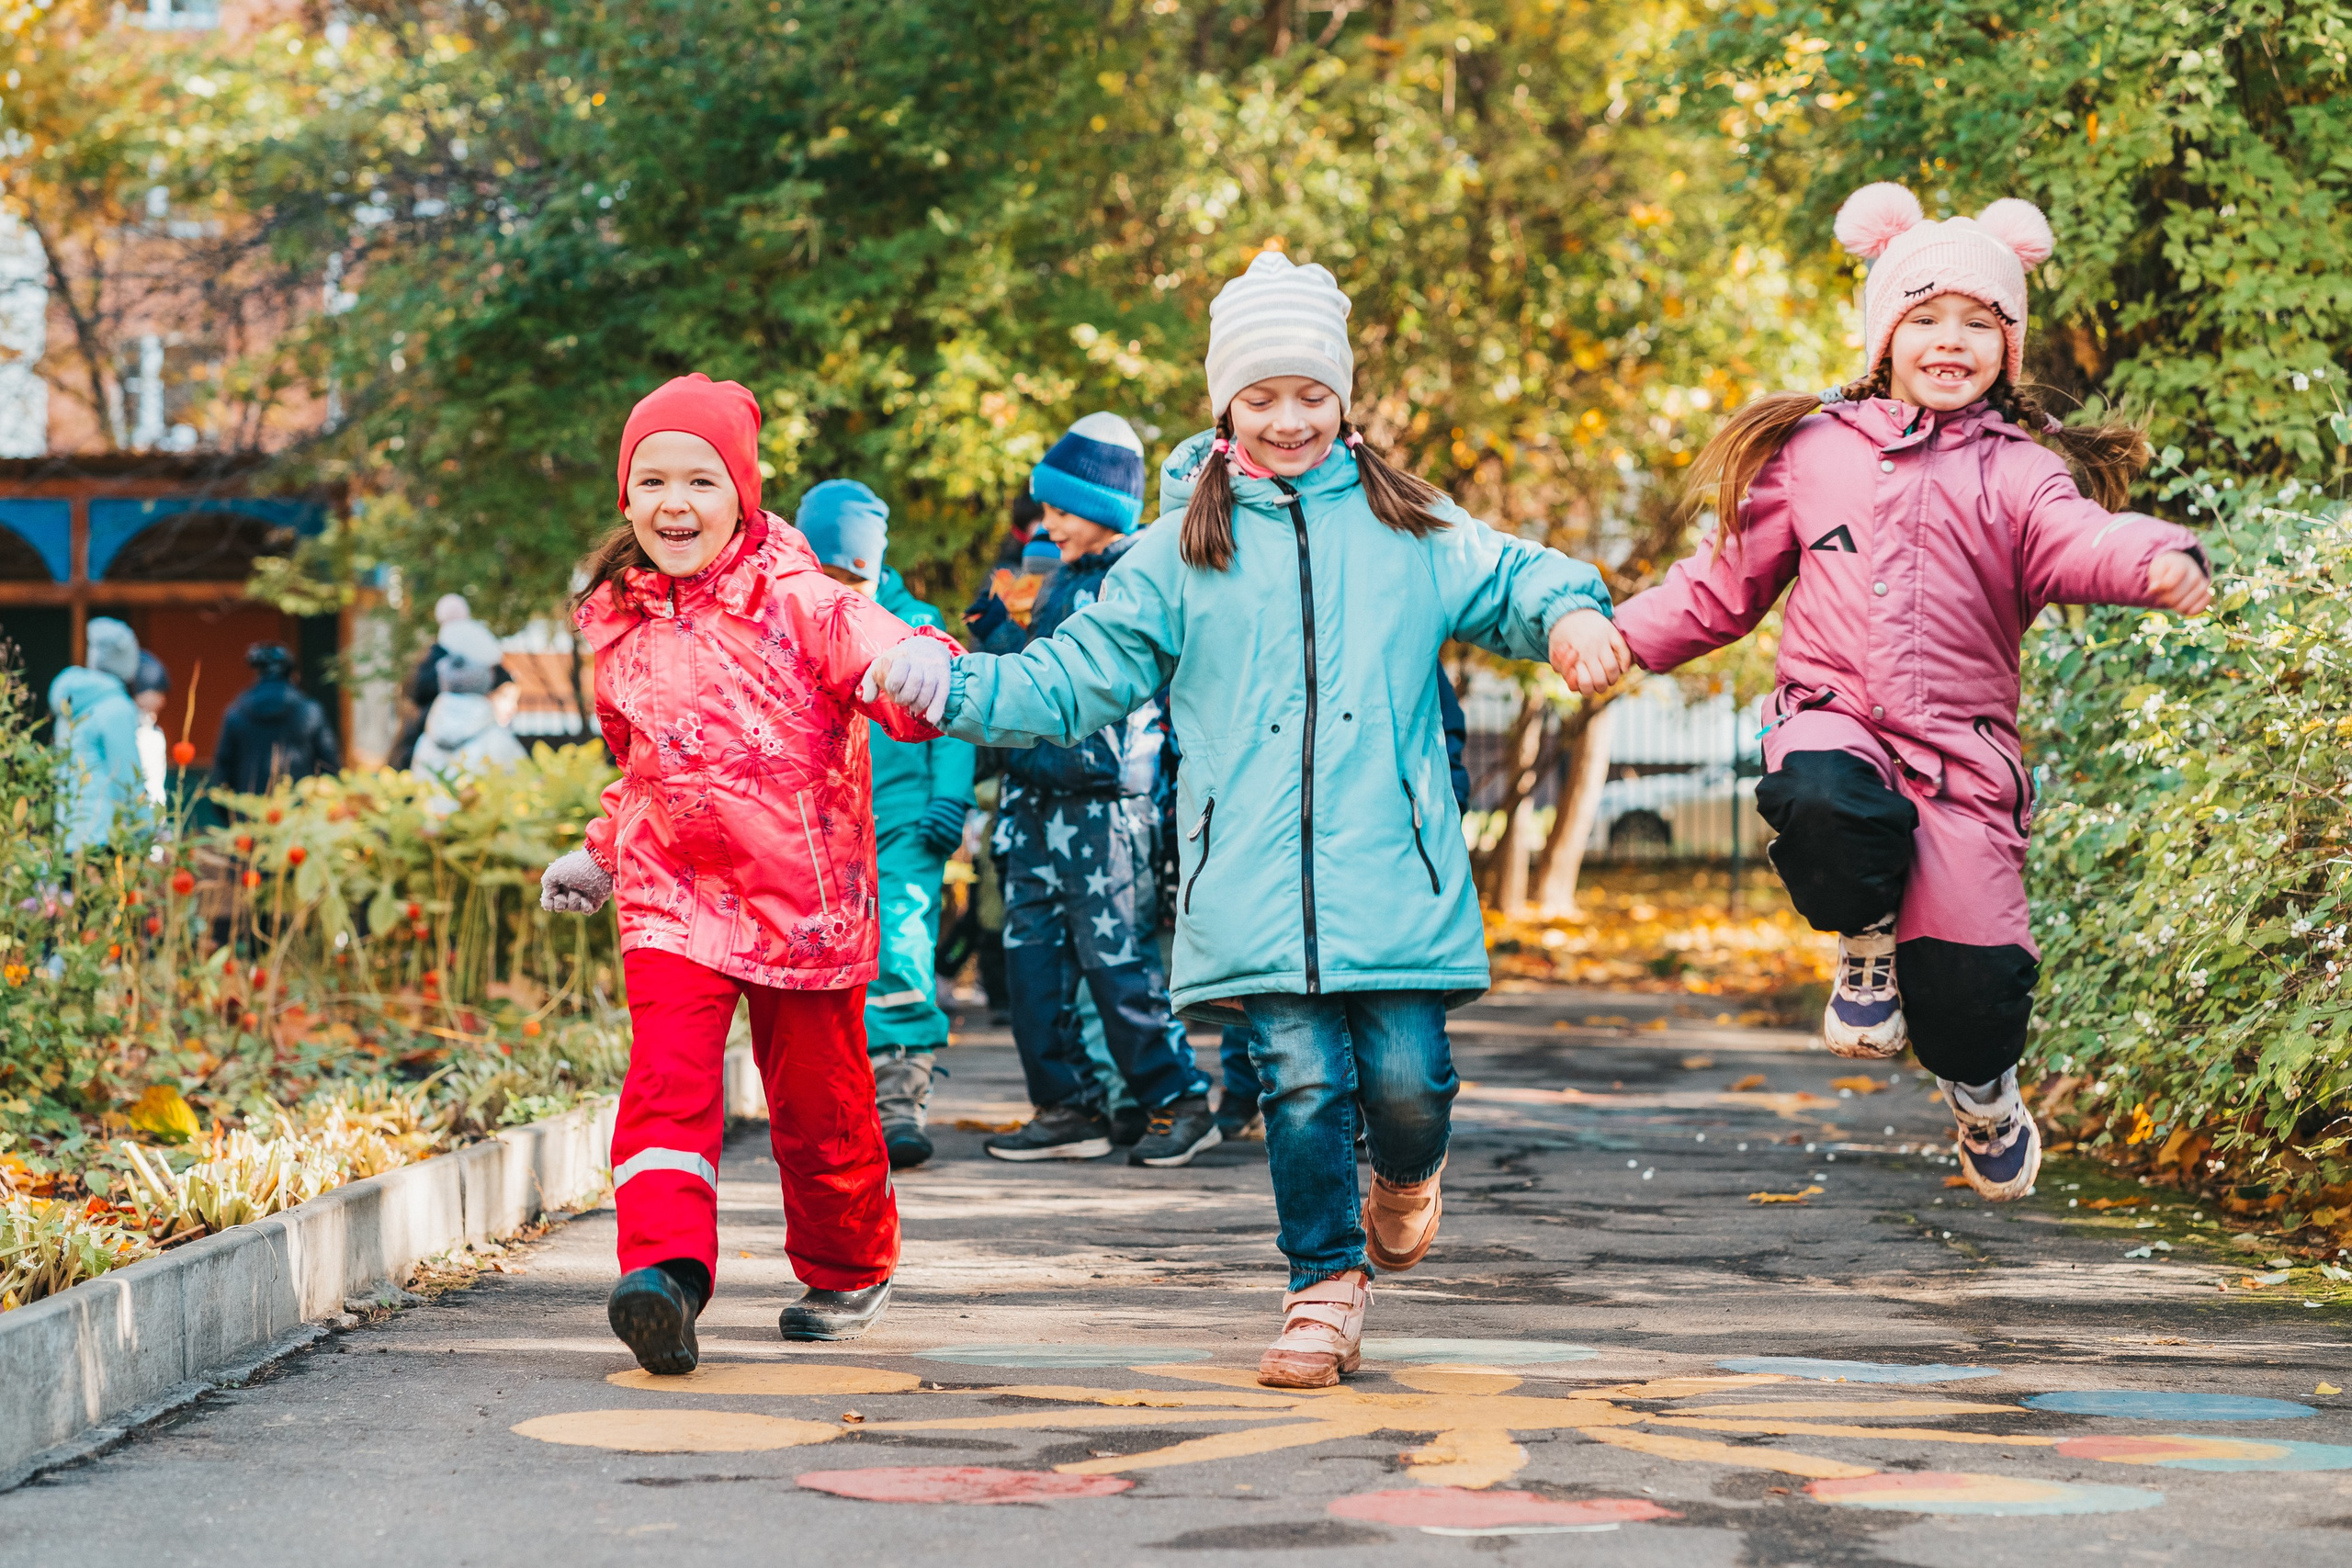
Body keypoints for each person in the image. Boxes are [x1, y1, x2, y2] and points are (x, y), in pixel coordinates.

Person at [865, 250, 1623, 1387]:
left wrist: (1567, 615)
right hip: (1253, 880)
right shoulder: (1180, 551)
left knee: (1409, 1083)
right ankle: (1322, 1287)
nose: (1288, 419)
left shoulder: (1408, 524)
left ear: (1344, 400)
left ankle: (1406, 1177)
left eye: (1311, 394)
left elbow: (1513, 576)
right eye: (1261, 397)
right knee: (1300, 1084)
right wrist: (954, 686)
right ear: (1225, 407)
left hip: (1396, 870)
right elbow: (1073, 677)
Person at [1607, 185, 2211, 1203]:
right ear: (1884, 334)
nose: (1950, 340)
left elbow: (2080, 540)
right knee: (1821, 796)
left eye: (1978, 323)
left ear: (2007, 349)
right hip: (1834, 716)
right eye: (1926, 317)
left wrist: (2153, 557)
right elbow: (1721, 583)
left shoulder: (2020, 473)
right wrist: (1623, 635)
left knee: (1973, 992)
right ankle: (1865, 947)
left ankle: (1983, 1096)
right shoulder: (1814, 455)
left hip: (1964, 762)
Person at [535, 374, 957, 1376]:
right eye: (651, 482)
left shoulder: (805, 601)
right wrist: (601, 854)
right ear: (626, 497)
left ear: (742, 494)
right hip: (673, 894)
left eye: (700, 481)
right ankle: (666, 1276)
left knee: (817, 1102)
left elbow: (905, 666)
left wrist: (926, 670)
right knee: (665, 1082)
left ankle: (848, 1265)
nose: (674, 504)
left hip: (801, 897)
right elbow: (644, 769)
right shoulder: (620, 624)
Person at [962, 412, 1218, 1170]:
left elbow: (1097, 685)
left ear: (1106, 506)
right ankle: (1068, 1107)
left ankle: (1179, 1100)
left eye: (1062, 510)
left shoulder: (1135, 579)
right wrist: (994, 628)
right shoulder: (1045, 576)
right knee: (1031, 968)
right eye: (1045, 509)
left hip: (1107, 808)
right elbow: (1024, 678)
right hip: (1030, 803)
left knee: (1118, 967)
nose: (1048, 525)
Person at [795, 478, 976, 1171]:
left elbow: (952, 715)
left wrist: (950, 798)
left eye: (855, 577)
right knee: (830, 956)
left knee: (900, 940)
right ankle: (849, 1097)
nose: (842, 590)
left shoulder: (914, 625)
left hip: (905, 820)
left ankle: (902, 1088)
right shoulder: (796, 622)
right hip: (826, 828)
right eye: (829, 576)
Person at [1210, 671, 1468, 1142]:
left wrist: (1436, 806)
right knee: (1267, 983)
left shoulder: (1397, 642)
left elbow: (1442, 735)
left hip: (1377, 850)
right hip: (1274, 844)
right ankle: (1247, 1088)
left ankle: (1374, 1118)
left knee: (1375, 1014)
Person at [50, 617, 148, 852]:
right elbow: (127, 776)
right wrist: (148, 829)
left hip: (68, 833)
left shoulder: (72, 700)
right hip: (104, 836)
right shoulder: (117, 708)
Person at [389, 593, 512, 771]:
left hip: (434, 726)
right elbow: (504, 678)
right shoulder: (482, 653)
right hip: (465, 729)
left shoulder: (434, 657)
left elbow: (416, 690)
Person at [211, 643, 339, 796]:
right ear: (293, 674)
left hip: (249, 805)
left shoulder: (237, 712)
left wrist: (226, 806)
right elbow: (329, 762)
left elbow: (224, 766)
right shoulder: (310, 710)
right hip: (300, 806)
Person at [408, 619, 527, 775]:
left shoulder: (424, 742)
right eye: (505, 696)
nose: (513, 707)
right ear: (487, 685)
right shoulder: (498, 742)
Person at [130, 651, 171, 807]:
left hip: (151, 812)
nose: (162, 700)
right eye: (157, 692)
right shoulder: (123, 727)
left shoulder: (154, 732)